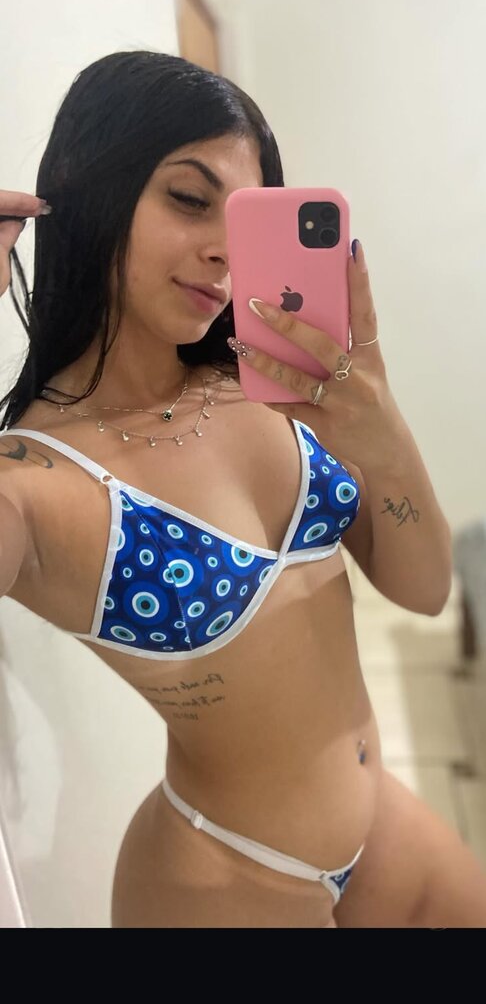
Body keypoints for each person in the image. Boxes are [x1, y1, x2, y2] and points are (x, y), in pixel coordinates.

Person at [1, 51, 485, 929]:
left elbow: (423, 590)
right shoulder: (34, 480)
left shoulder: (262, 382)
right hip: (228, 882)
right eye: (190, 199)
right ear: (85, 186)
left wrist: (381, 432)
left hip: (384, 831)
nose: (225, 251)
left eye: (246, 216)